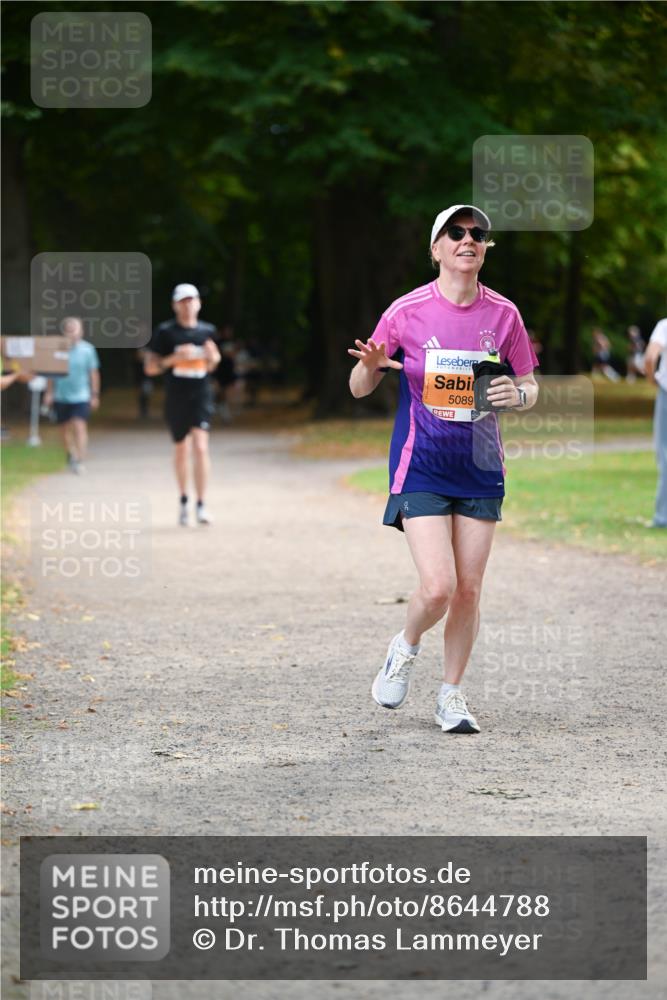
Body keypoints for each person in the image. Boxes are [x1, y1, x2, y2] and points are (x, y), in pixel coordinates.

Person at [348, 205, 539, 734]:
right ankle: (405, 648)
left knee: (470, 590)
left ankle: (451, 695)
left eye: (477, 234)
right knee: (438, 587)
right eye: (455, 233)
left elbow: (527, 384)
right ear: (435, 249)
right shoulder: (406, 311)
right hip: (422, 465)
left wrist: (516, 394)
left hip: (480, 465)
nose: (468, 240)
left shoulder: (504, 315)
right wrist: (367, 368)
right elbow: (359, 386)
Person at [144, 283, 220, 526]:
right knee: (182, 449)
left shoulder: (208, 331)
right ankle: (184, 500)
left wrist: (212, 357)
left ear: (199, 303)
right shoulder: (165, 332)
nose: (188, 305)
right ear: (175, 305)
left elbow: (212, 364)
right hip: (176, 395)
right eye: (183, 301)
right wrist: (173, 359)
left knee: (200, 446)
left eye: (191, 300)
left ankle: (201, 503)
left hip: (201, 395)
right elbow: (150, 367)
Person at [43, 316, 100, 474]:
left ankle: (80, 460)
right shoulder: (57, 349)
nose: (72, 333)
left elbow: (93, 373)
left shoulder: (88, 350)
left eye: (75, 329)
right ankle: (71, 453)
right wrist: (49, 393)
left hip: (82, 395)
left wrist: (94, 394)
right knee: (64, 429)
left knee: (79, 425)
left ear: (81, 331)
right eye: (69, 330)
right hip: (61, 395)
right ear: (64, 332)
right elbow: (51, 373)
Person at [643, 316, 667, 529]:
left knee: (665, 454)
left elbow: (650, 358)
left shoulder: (664, 325)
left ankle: (662, 517)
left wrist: (653, 379)